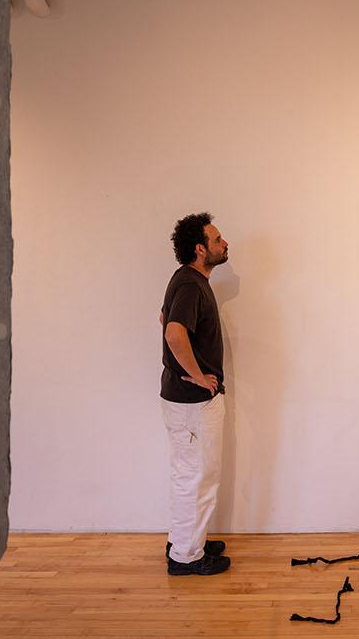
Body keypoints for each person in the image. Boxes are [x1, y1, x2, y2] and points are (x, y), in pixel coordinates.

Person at [159, 213, 232, 575]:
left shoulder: (184, 280)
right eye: (217, 239)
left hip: (182, 402)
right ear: (200, 248)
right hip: (193, 404)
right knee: (199, 477)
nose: (225, 243)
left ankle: (185, 538)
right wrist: (199, 376)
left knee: (186, 474)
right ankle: (187, 557)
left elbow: (162, 318)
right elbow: (173, 333)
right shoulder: (190, 284)